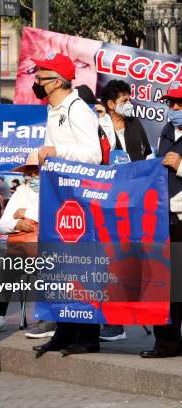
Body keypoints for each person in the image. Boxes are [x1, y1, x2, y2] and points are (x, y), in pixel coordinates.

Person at [33, 53, 102, 356]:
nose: (36, 81)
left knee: (81, 268)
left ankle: (87, 335)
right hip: (59, 199)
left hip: (80, 201)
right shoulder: (53, 109)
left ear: (58, 81)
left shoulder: (77, 109)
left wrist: (56, 150)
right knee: (60, 267)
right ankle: (63, 330)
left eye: (41, 76)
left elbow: (93, 155)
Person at [96, 79, 152, 342]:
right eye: (124, 100)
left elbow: (149, 158)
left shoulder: (136, 126)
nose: (129, 104)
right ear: (110, 104)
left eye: (130, 99)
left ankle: (118, 319)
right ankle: (110, 321)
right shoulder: (97, 128)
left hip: (134, 206)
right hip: (105, 205)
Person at [143, 80, 182, 358]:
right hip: (163, 216)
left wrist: (181, 166)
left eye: (179, 104)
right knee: (165, 284)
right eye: (171, 103)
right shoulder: (167, 130)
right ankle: (166, 344)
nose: (174, 108)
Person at [0, 152, 46, 334]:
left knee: (52, 268)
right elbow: (2, 225)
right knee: (8, 263)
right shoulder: (21, 191)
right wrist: (17, 222)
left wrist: (25, 213)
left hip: (47, 249)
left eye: (36, 172)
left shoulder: (55, 189)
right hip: (23, 246)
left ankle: (48, 317)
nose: (32, 177)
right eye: (28, 173)